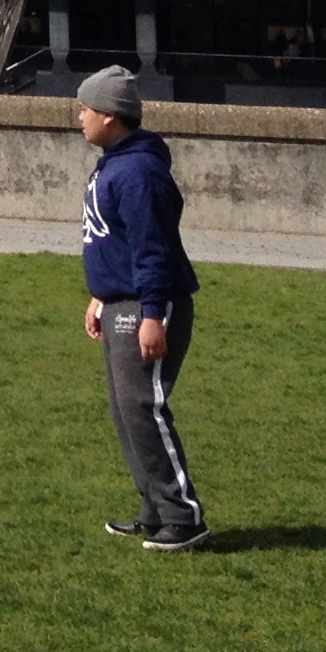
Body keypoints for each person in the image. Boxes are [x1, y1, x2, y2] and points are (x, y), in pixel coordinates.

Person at [75, 64, 207, 551]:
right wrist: (101, 295)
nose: (80, 117)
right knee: (126, 410)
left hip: (148, 303)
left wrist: (152, 313)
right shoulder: (114, 163)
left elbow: (152, 249)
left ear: (111, 116)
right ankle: (154, 509)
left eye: (86, 108)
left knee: (144, 407)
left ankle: (184, 516)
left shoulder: (138, 171)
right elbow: (115, 240)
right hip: (121, 300)